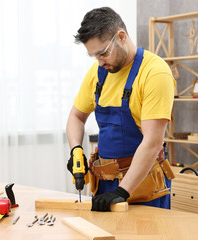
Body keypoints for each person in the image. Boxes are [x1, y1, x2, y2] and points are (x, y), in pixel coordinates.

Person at [66, 7, 176, 211]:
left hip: (144, 185)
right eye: (93, 56)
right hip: (105, 184)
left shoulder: (155, 72)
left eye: (103, 53)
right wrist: (76, 150)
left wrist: (122, 191)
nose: (100, 62)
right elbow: (76, 116)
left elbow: (153, 142)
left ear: (121, 36)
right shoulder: (98, 73)